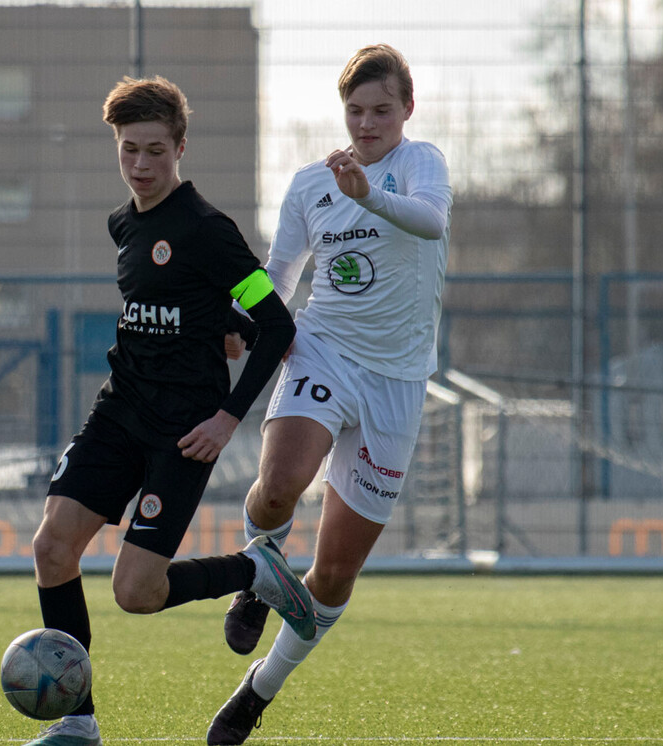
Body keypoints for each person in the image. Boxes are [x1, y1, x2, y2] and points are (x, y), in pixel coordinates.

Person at [25, 75, 315, 746]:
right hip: (118, 410)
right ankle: (77, 721)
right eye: (129, 150)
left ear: (180, 147)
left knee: (138, 592)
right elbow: (191, 303)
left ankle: (256, 571)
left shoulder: (210, 231)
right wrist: (216, 323)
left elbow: (275, 324)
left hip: (183, 432)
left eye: (156, 150)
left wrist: (227, 418)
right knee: (51, 548)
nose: (142, 165)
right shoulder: (122, 223)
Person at [206, 44, 453, 746]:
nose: (367, 123)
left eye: (381, 110)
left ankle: (257, 691)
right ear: (342, 112)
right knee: (279, 484)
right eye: (355, 110)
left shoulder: (422, 163)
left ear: (407, 109)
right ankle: (258, 567)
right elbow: (278, 274)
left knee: (336, 574)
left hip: (397, 384)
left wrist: (368, 195)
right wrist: (246, 320)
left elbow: (430, 221)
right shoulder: (311, 184)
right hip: (324, 352)